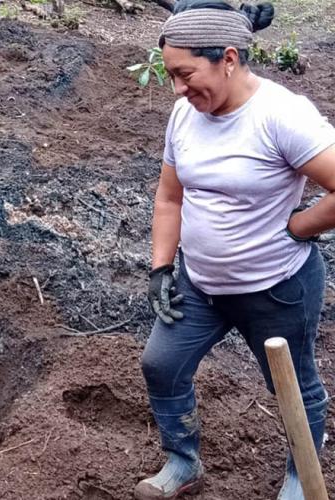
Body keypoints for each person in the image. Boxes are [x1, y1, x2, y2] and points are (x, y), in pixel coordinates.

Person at [139, 1, 335, 499]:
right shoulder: (185, 114)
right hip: (200, 284)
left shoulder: (281, 116)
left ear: (228, 58)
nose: (179, 90)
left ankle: (299, 478)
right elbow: (170, 197)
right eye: (171, 77)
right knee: (162, 364)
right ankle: (183, 462)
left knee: (291, 385)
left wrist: (298, 228)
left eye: (186, 74)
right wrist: (162, 267)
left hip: (274, 288)